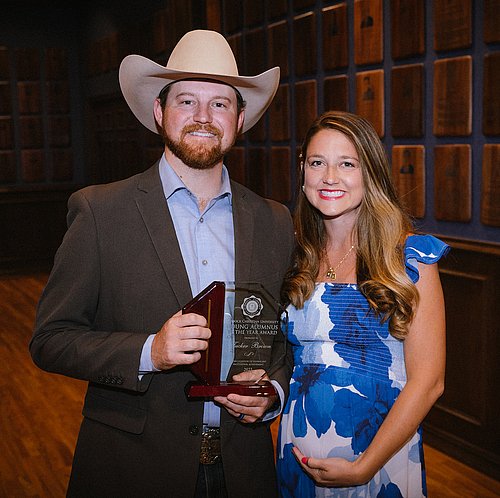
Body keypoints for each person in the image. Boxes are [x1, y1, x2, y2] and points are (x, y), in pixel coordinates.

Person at [30, 30, 294, 498]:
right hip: (131, 470)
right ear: (159, 111)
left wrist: (271, 393)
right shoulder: (100, 212)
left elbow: (281, 340)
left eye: (219, 104)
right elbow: (51, 340)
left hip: (243, 470)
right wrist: (149, 351)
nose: (202, 117)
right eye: (186, 101)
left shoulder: (274, 221)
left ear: (240, 118)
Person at [276, 111, 449, 497]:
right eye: (317, 162)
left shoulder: (408, 258)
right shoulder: (296, 255)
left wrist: (362, 467)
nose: (329, 177)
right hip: (298, 450)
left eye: (347, 164)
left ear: (370, 173)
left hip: (378, 459)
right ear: (303, 173)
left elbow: (429, 383)